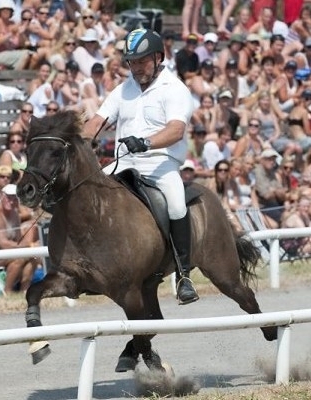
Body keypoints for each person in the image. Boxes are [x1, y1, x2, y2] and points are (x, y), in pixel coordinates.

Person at [83, 28, 198, 305]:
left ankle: (184, 275)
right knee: (88, 190)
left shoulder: (176, 89)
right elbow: (97, 120)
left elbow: (175, 131)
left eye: (141, 61)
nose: (135, 68)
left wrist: (145, 143)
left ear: (159, 57)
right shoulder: (124, 90)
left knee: (176, 204)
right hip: (125, 162)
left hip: (161, 163)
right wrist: (78, 141)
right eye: (131, 62)